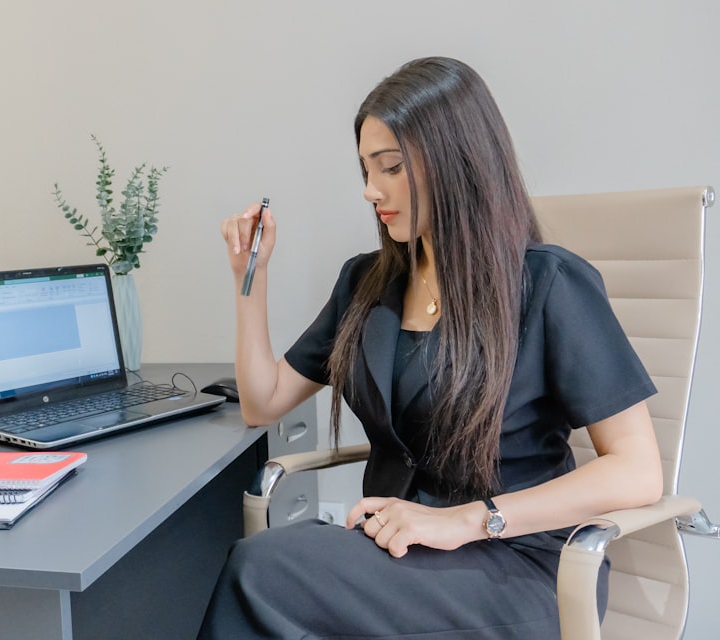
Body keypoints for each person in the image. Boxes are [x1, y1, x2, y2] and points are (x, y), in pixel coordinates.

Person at [199, 57, 663, 639]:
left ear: (454, 161)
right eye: (366, 169)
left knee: (262, 570)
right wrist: (250, 278)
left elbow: (639, 472)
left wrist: (471, 521)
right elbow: (261, 402)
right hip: (401, 556)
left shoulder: (547, 284)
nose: (371, 190)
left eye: (390, 167)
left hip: (520, 566)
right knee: (274, 572)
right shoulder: (367, 285)